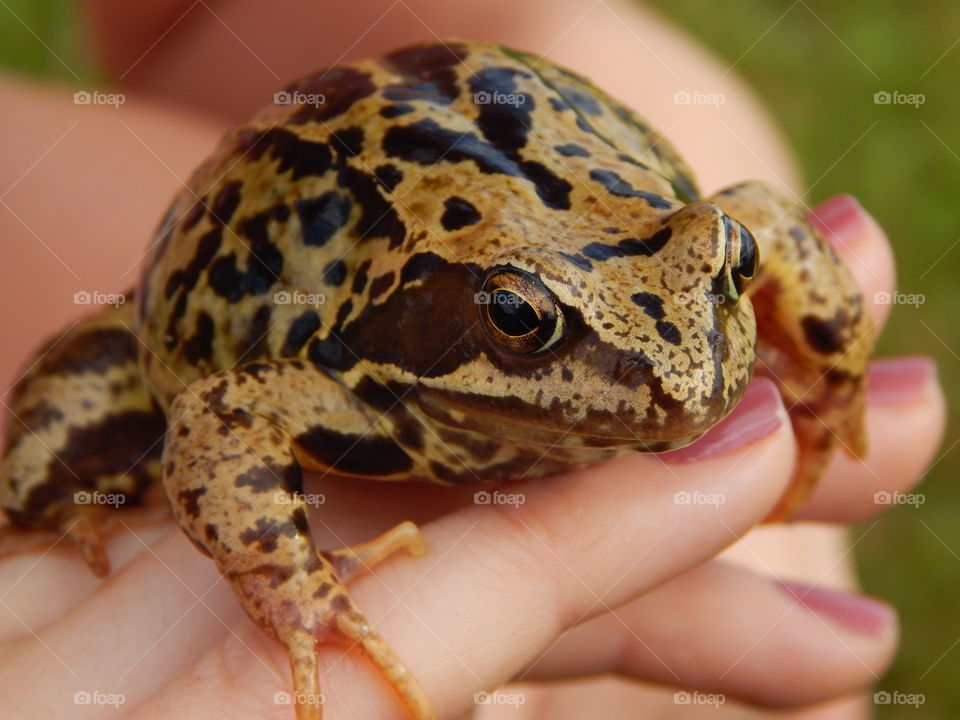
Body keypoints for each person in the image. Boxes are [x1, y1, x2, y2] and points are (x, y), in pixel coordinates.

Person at [0, 0, 945, 717]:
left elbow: (764, 218)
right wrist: (290, 587)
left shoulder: (685, 297)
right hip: (212, 315)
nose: (681, 380)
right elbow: (221, 413)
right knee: (43, 465)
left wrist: (829, 360)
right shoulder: (347, 374)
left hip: (527, 170)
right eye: (522, 322)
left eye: (722, 271)